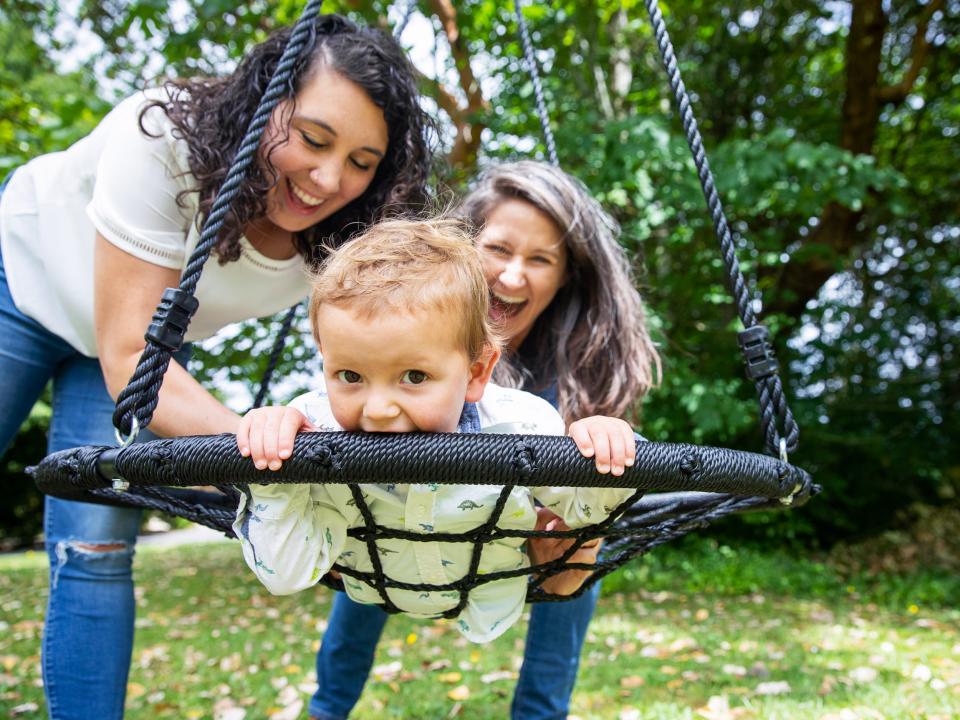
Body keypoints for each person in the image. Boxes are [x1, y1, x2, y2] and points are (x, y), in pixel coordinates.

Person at [0, 14, 432, 719]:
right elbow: (128, 357)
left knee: (97, 550)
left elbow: (422, 329)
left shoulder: (349, 234)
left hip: (147, 345)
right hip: (23, 278)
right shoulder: (162, 141)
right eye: (314, 140)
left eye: (362, 161)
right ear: (265, 100)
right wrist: (276, 451)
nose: (329, 179)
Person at [307, 161, 661, 720]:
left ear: (566, 276)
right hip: (389, 519)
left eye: (540, 259)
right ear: (466, 250)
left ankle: (541, 713)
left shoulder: (574, 369)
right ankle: (328, 708)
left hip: (509, 533)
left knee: (580, 538)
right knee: (374, 525)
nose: (514, 277)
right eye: (499, 249)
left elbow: (581, 510)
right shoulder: (406, 330)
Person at [234, 217, 639, 643]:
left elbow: (585, 512)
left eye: (413, 376)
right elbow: (285, 574)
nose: (379, 409)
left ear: (476, 371)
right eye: (350, 375)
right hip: (369, 585)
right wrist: (274, 469)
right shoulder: (313, 428)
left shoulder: (522, 426)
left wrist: (603, 450)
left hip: (490, 597)